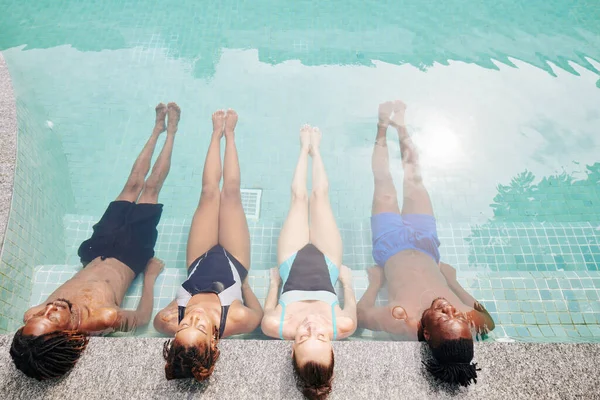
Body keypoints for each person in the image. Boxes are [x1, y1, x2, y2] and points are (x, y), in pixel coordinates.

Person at [10, 102, 181, 380]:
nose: (48, 309)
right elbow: (140, 319)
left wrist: (41, 320)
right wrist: (149, 277)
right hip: (130, 253)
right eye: (51, 318)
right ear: (64, 337)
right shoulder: (103, 318)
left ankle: (156, 129)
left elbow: (36, 328)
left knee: (131, 185)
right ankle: (172, 131)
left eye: (38, 317)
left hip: (96, 249)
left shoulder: (34, 314)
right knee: (150, 189)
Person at [357, 101, 495, 387]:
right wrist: (454, 283)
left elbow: (361, 316)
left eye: (445, 317)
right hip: (426, 243)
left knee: (383, 182)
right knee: (415, 178)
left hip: (389, 244)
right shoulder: (468, 322)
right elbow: (487, 318)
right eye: (457, 315)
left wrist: (374, 284)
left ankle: (382, 128)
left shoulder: (403, 321)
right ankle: (402, 128)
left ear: (428, 335)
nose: (450, 309)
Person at [154, 109, 263, 382]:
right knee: (231, 193)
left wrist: (177, 299)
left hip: (199, 258)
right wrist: (246, 287)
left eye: (185, 325)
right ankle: (230, 134)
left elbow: (169, 314)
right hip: (234, 259)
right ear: (214, 342)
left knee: (208, 192)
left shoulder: (165, 320)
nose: (194, 317)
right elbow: (259, 315)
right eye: (199, 326)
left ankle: (215, 134)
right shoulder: (236, 320)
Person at [261, 124, 357, 400]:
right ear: (332, 346)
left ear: (291, 348)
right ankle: (317, 151)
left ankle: (304, 148)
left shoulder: (276, 326)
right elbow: (351, 310)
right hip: (328, 263)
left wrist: (274, 284)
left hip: (291, 261)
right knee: (320, 197)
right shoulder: (344, 326)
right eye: (322, 337)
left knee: (300, 198)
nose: (312, 327)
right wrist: (347, 285)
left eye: (304, 337)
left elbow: (269, 309)